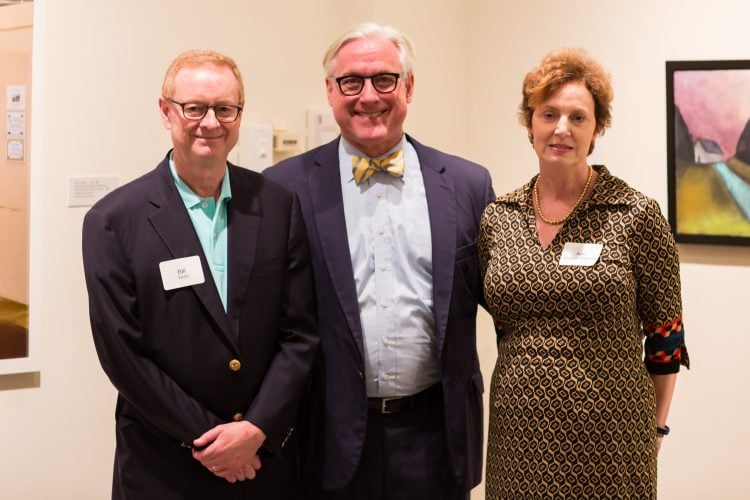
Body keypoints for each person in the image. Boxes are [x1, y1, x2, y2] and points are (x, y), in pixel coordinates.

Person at [265, 22, 495, 500]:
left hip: (438, 436)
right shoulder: (283, 189)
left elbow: (505, 299)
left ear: (409, 86)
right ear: (330, 92)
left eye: (384, 79)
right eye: (352, 82)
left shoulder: (469, 185)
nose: (368, 96)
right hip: (327, 437)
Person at [82, 49, 318, 499]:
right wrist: (211, 441)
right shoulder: (113, 221)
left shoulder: (278, 205)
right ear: (166, 111)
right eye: (194, 108)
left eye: (224, 109)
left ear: (239, 114)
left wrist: (256, 430)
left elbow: (300, 334)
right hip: (165, 465)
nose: (210, 122)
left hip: (263, 464)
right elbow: (123, 356)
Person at [479, 47, 690, 499]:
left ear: (597, 129)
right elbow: (504, 325)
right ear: (529, 122)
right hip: (518, 437)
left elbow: (666, 336)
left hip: (611, 438)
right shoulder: (499, 217)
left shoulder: (634, 214)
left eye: (578, 117)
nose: (561, 128)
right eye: (549, 113)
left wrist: (656, 428)